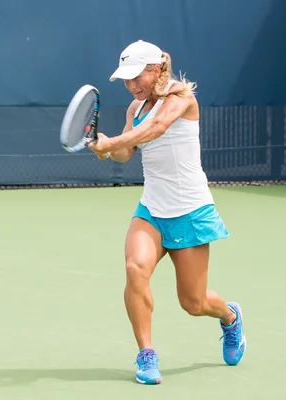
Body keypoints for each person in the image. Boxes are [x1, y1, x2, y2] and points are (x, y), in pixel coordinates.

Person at [88, 40, 246, 385]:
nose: (132, 86)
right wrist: (106, 150)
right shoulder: (135, 108)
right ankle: (146, 355)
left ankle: (230, 317)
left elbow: (157, 128)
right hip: (152, 210)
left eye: (136, 77)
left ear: (156, 69)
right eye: (126, 80)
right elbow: (127, 152)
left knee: (194, 303)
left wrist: (111, 143)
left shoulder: (181, 99)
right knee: (135, 269)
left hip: (191, 210)